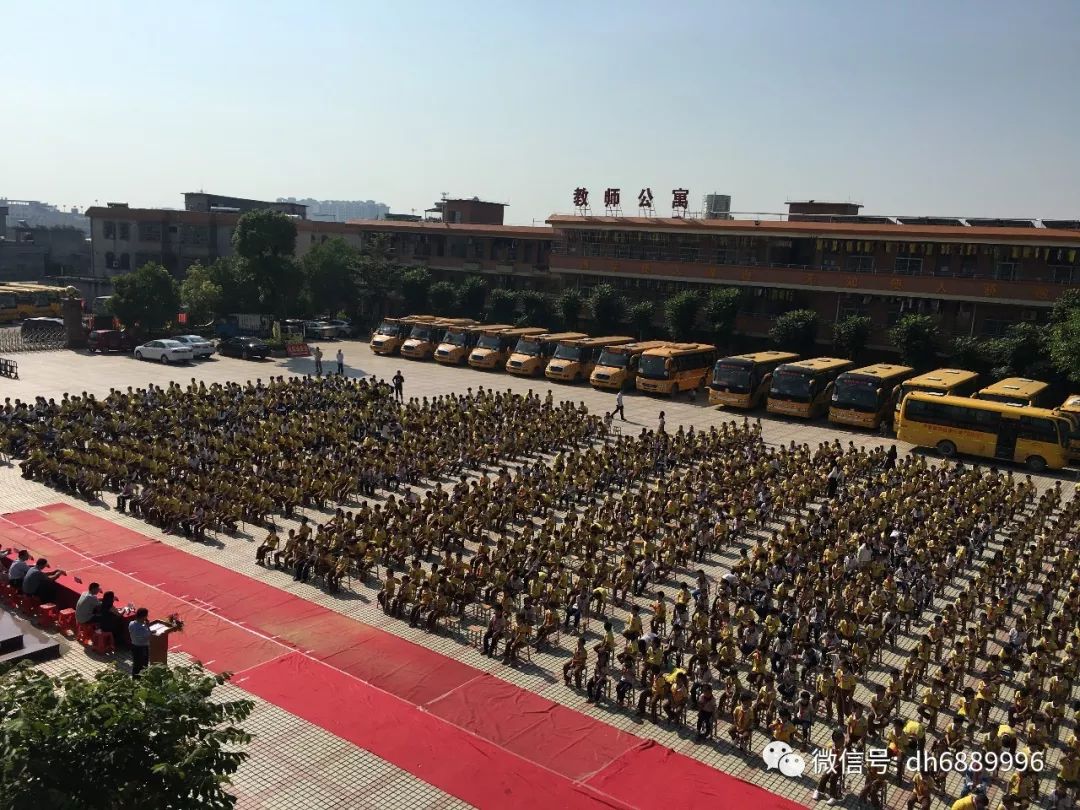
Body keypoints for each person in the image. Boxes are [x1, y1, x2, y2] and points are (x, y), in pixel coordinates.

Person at [128, 607, 151, 678]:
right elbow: (148, 636)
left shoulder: (131, 623)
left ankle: (135, 679)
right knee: (143, 665)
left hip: (134, 646)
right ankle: (141, 679)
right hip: (142, 648)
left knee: (136, 665)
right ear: (143, 617)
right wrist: (148, 626)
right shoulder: (142, 628)